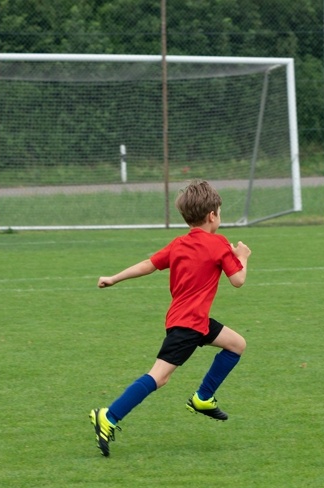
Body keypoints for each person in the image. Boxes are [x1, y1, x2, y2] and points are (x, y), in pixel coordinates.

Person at [89, 179, 251, 457]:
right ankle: (109, 415)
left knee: (236, 344)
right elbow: (238, 280)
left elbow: (147, 265)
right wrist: (244, 256)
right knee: (159, 377)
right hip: (188, 326)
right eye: (220, 213)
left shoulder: (178, 244)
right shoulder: (219, 244)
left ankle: (203, 398)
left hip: (192, 321)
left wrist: (114, 278)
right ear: (212, 215)